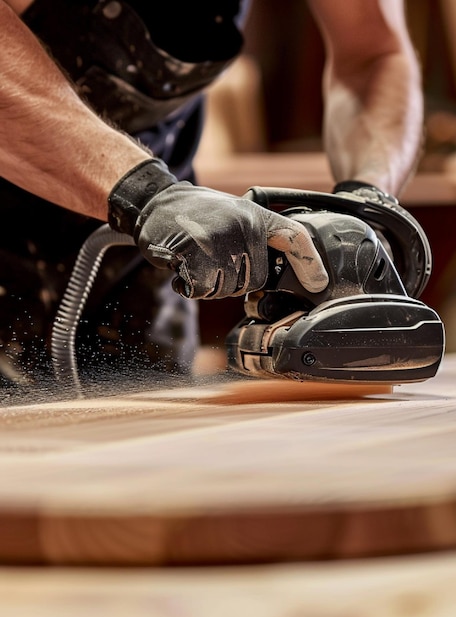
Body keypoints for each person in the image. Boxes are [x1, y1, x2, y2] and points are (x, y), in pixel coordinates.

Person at [0, 0, 423, 397]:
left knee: (144, 445)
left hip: (161, 241)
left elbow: (374, 55)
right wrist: (143, 193)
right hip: (46, 221)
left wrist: (365, 202)